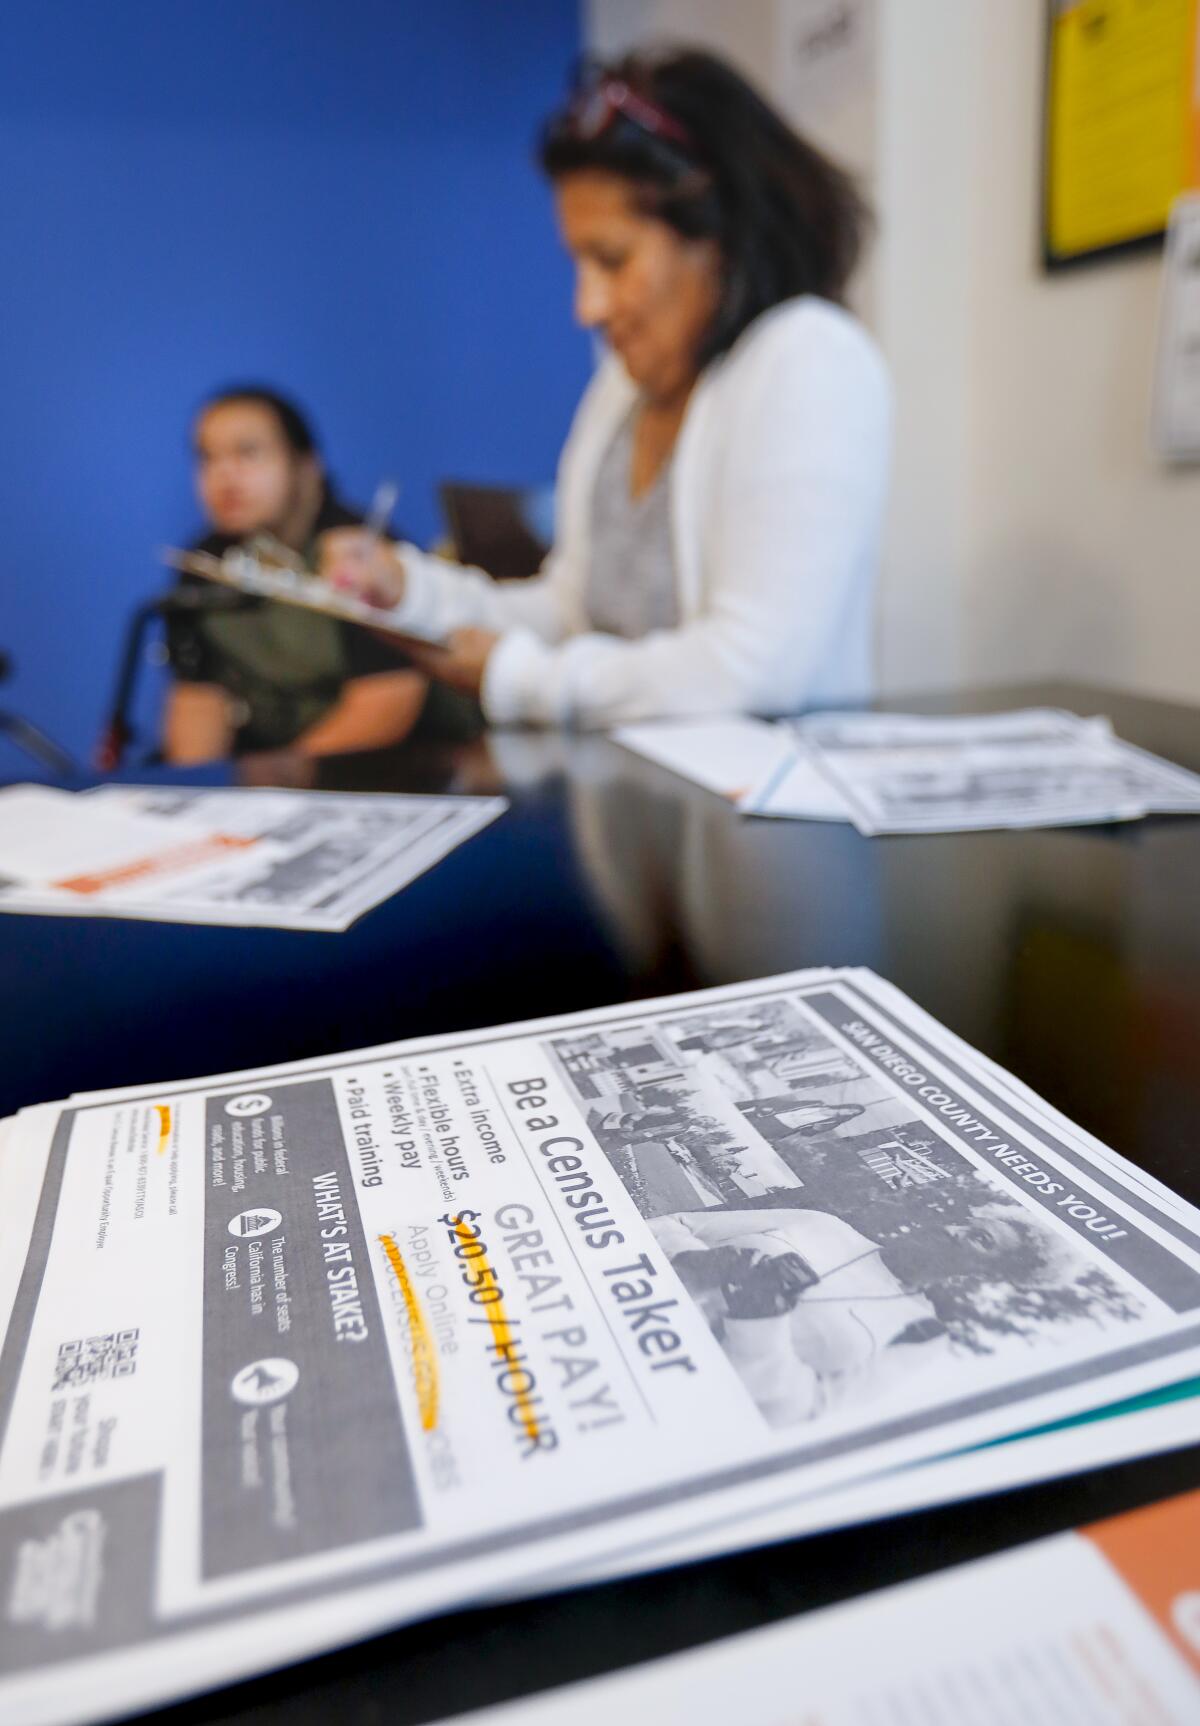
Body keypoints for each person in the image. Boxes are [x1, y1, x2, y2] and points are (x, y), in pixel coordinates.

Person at [327, 48, 891, 730]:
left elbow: (755, 667)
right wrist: (410, 593)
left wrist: (519, 678)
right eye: (578, 263)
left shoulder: (808, 356)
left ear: (719, 235)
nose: (587, 307)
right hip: (637, 810)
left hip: (764, 828)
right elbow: (573, 611)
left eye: (613, 260)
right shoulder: (623, 393)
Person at [162, 387, 429, 762]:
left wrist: (283, 787)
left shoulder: (362, 555)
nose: (224, 475)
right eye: (208, 458)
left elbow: (389, 699)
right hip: (269, 779)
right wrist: (198, 792)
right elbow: (198, 701)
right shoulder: (204, 564)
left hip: (384, 774)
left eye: (248, 453)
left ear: (306, 466)